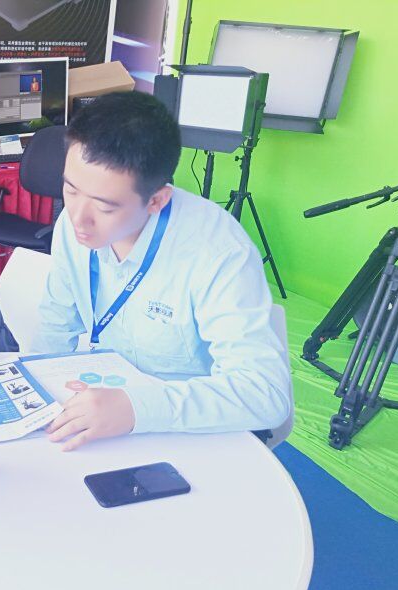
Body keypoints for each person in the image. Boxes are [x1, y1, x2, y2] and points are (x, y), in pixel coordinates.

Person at [33, 92, 291, 451]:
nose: (78, 218)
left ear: (157, 200)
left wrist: (138, 408)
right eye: (70, 190)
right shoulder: (72, 224)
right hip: (102, 409)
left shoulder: (218, 252)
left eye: (105, 208)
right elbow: (55, 322)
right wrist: (34, 401)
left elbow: (266, 394)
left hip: (187, 429)